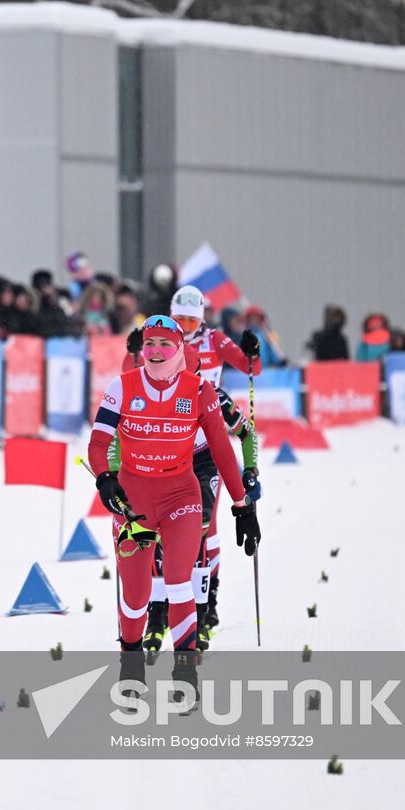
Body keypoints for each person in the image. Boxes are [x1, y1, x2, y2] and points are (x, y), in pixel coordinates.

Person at [89, 315, 259, 696]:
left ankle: (186, 672)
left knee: (180, 581)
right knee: (136, 599)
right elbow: (98, 444)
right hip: (133, 499)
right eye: (150, 344)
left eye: (165, 344)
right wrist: (105, 478)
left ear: (180, 349)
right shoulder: (122, 387)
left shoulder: (200, 391)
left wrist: (242, 504)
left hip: (182, 494)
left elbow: (222, 450)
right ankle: (130, 664)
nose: (156, 352)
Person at [165, 285, 260, 640]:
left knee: (206, 529)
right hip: (172, 450)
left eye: (192, 320)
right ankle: (161, 610)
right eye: (180, 320)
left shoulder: (216, 342)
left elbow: (254, 369)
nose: (186, 327)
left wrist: (253, 351)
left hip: (208, 439)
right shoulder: (161, 337)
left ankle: (206, 606)